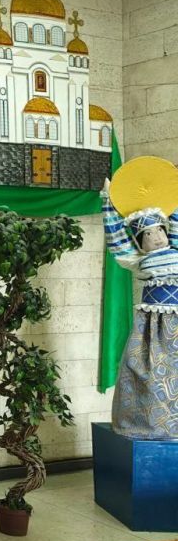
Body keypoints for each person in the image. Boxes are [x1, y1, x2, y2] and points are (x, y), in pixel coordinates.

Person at [102, 172, 178, 439]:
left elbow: (176, 217)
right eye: (148, 234)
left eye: (159, 231)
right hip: (152, 326)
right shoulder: (137, 259)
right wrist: (108, 201)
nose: (156, 237)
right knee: (146, 367)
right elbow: (116, 239)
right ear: (138, 241)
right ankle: (149, 423)